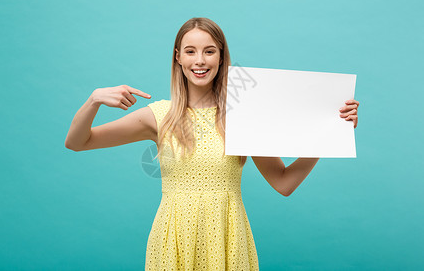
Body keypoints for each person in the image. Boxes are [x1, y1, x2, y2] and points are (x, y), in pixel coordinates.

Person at [64, 17, 360, 270]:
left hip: (228, 240)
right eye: (191, 51)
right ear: (178, 57)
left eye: (209, 51)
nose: (200, 60)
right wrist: (93, 100)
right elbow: (78, 142)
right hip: (173, 241)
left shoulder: (243, 116)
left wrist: (330, 134)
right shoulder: (159, 117)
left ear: (221, 57)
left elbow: (284, 182)